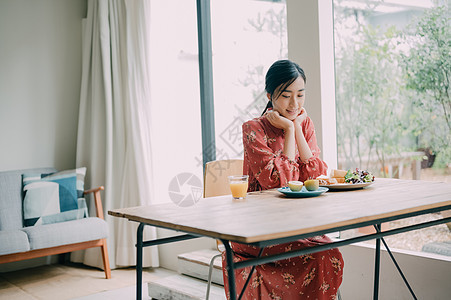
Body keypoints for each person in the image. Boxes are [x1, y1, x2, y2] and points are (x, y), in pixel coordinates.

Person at [221, 60, 344, 299]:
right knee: (318, 254)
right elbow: (279, 182)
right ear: (270, 95)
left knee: (328, 253)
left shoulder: (304, 123)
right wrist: (289, 130)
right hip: (256, 228)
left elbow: (315, 177)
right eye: (286, 96)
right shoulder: (252, 128)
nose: (295, 104)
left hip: (296, 224)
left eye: (300, 95)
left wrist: (297, 128)